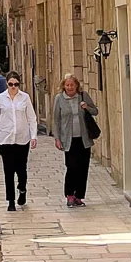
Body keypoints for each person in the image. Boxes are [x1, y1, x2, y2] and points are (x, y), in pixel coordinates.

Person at [0, 71, 37, 211]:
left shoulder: (25, 97)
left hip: (22, 139)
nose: (14, 87)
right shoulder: (0, 98)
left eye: (16, 84)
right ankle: (10, 200)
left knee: (21, 169)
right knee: (8, 171)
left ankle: (22, 189)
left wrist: (33, 136)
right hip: (5, 139)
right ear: (7, 84)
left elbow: (32, 118)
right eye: (11, 84)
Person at [52, 73, 99, 208]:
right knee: (71, 167)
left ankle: (79, 196)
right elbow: (56, 120)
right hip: (68, 140)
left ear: (77, 86)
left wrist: (86, 107)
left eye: (72, 85)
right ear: (64, 86)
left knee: (83, 168)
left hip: (84, 139)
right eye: (67, 85)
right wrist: (57, 138)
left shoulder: (83, 96)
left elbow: (95, 111)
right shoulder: (59, 99)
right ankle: (69, 195)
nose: (70, 87)